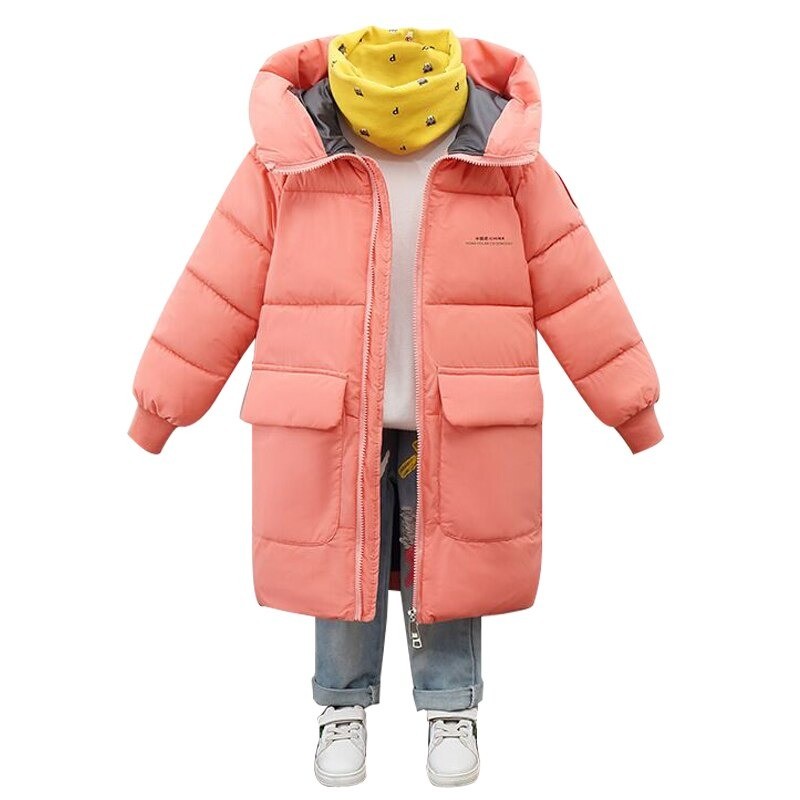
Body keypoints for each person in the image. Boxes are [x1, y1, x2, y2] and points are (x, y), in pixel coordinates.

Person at [128, 24, 663, 789]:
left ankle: (451, 704)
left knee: (449, 561)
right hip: (333, 411)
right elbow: (219, 282)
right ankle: (341, 703)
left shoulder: (503, 159)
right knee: (339, 561)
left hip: (462, 411)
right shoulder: (290, 158)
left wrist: (630, 407)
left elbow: (575, 284)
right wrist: (162, 405)